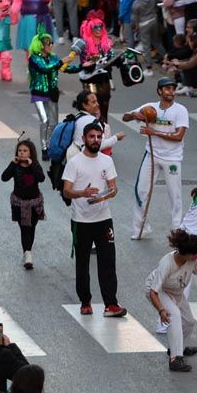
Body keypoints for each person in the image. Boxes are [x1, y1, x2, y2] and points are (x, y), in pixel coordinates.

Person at [61, 122, 125, 317]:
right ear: (84, 139)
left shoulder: (106, 161)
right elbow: (67, 191)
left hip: (104, 219)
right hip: (81, 221)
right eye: (92, 136)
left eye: (99, 137)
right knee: (82, 262)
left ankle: (111, 304)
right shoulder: (74, 162)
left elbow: (113, 187)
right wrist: (83, 193)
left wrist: (106, 195)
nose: (96, 140)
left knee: (108, 261)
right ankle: (85, 301)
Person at [123, 78, 189, 239]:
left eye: (173, 89)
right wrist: (134, 115)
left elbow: (179, 136)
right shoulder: (150, 108)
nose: (171, 92)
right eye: (167, 89)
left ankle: (177, 230)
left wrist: (154, 133)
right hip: (151, 155)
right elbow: (125, 117)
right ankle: (141, 228)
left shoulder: (180, 110)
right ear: (159, 91)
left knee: (175, 195)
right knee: (141, 191)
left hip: (172, 158)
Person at [146, 230, 197, 372]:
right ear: (190, 254)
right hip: (159, 291)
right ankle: (175, 359)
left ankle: (178, 347)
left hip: (176, 292)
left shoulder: (193, 260)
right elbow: (153, 292)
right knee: (174, 315)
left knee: (189, 322)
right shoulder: (167, 263)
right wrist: (161, 310)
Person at [1, 138, 47, 269]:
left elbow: (41, 178)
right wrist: (12, 164)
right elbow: (4, 177)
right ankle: (27, 254)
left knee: (32, 228)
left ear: (30, 153)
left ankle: (28, 252)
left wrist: (32, 165)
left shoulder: (35, 165)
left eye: (25, 151)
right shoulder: (15, 166)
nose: (22, 153)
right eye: (20, 150)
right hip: (19, 204)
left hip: (34, 204)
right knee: (24, 228)